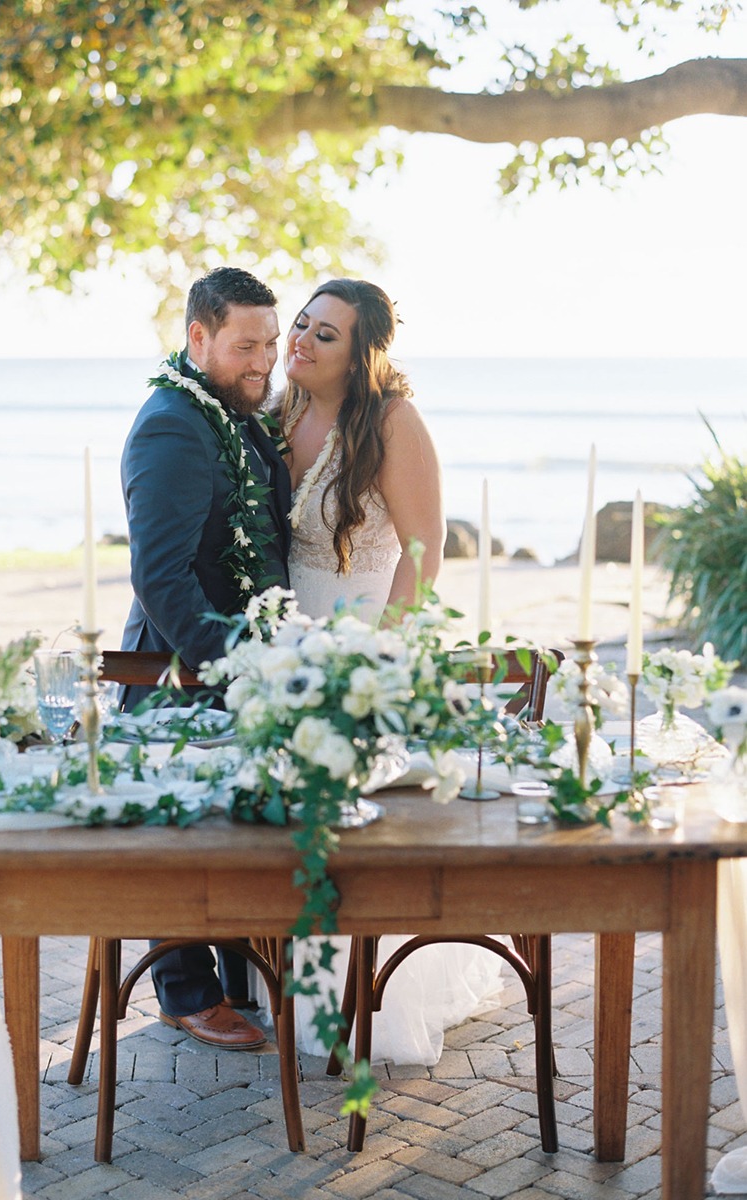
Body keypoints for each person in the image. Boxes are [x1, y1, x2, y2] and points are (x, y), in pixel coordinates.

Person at [279, 278, 504, 1064]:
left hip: (365, 640)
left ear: (362, 353)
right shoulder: (283, 411)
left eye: (325, 334)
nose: (300, 339)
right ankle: (293, 983)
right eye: (301, 324)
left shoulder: (395, 423)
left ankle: (369, 997)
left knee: (363, 823)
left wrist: (384, 659)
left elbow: (424, 550)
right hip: (284, 647)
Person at [120, 266, 292, 1051]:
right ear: (198, 338)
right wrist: (230, 665)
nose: (263, 359)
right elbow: (160, 575)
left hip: (235, 659)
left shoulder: (235, 412)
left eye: (270, 341)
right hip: (179, 670)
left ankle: (236, 973)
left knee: (231, 829)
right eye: (245, 344)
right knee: (180, 836)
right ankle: (185, 993)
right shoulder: (171, 424)